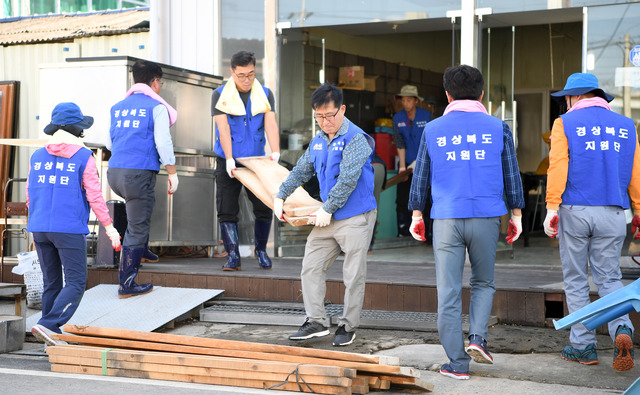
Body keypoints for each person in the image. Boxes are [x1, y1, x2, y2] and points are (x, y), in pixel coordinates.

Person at [408, 65, 524, 380]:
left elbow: (421, 175)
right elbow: (511, 174)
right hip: (487, 216)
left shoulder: (432, 129)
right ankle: (478, 339)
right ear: (482, 94)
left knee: (448, 290)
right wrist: (516, 214)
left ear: (447, 94)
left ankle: (457, 364)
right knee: (484, 282)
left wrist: (417, 214)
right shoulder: (498, 127)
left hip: (445, 217)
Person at [544, 72, 639, 371]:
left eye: (566, 99)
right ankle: (622, 329)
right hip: (613, 212)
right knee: (609, 278)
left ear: (575, 97)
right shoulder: (626, 125)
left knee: (575, 279)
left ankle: (583, 347)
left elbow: (558, 165)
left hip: (575, 210)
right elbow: (636, 173)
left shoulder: (564, 124)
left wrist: (551, 206)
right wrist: (638, 209)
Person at [273, 83, 377, 347]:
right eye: (319, 116)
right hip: (326, 216)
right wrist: (281, 194)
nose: (325, 121)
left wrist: (327, 208)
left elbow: (348, 180)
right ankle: (316, 322)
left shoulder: (357, 138)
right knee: (311, 267)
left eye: (330, 115)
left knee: (353, 274)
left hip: (355, 215)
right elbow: (302, 169)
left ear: (342, 109)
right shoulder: (319, 139)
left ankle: (347, 326)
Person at [28, 102, 121, 345]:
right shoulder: (83, 157)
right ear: (76, 129)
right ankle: (48, 324)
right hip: (68, 228)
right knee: (77, 281)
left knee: (52, 282)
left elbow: (30, 194)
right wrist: (109, 227)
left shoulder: (37, 156)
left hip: (38, 227)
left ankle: (49, 333)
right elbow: (95, 196)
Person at [107, 59, 179, 299]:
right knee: (137, 225)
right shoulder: (155, 107)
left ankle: (142, 250)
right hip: (137, 174)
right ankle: (126, 284)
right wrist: (172, 172)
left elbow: (110, 142)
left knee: (142, 210)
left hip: (114, 173)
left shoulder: (117, 107)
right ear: (156, 82)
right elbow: (163, 143)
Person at [211, 50, 280, 271]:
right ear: (232, 72)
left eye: (250, 74)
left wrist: (276, 152)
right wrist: (229, 159)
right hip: (228, 159)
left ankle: (260, 250)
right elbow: (223, 128)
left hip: (256, 159)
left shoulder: (265, 93)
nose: (246, 80)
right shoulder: (220, 94)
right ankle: (233, 256)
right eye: (241, 75)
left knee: (263, 206)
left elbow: (270, 124)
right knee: (227, 209)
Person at [392, 85, 431, 238]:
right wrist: (402, 167)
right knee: (402, 199)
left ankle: (427, 234)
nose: (405, 103)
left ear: (416, 101)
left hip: (424, 165)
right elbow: (399, 143)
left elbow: (430, 142)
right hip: (406, 165)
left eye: (409, 100)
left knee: (426, 199)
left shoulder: (427, 116)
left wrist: (419, 162)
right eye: (403, 100)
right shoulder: (398, 118)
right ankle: (403, 233)